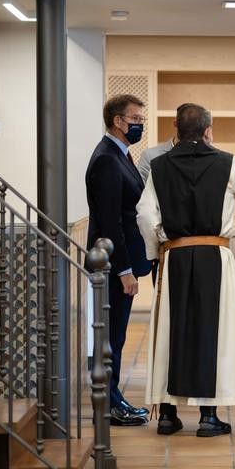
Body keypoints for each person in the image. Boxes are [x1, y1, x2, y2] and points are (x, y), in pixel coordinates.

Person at [136, 103, 235, 437]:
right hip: (214, 254)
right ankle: (209, 416)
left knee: (172, 329)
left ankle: (167, 414)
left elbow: (145, 214)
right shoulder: (226, 163)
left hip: (176, 256)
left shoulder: (159, 165)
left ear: (176, 130)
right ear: (209, 131)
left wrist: (157, 251)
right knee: (216, 331)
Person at [85, 94, 153, 426]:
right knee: (111, 338)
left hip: (118, 265)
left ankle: (114, 399)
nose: (141, 123)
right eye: (136, 118)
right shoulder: (107, 160)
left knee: (117, 337)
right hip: (112, 268)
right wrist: (125, 270)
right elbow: (112, 222)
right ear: (118, 121)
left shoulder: (121, 155)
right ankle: (110, 404)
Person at [136, 104, 188, 183]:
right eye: (187, 124)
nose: (190, 129)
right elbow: (140, 190)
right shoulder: (149, 156)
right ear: (175, 124)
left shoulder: (207, 158)